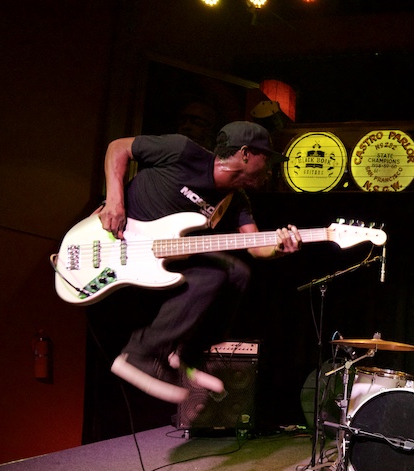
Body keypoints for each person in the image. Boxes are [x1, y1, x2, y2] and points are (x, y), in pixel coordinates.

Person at [99, 121, 302, 403]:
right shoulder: (182, 151)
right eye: (265, 159)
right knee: (214, 275)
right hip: (118, 240)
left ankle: (184, 356)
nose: (269, 169)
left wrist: (280, 247)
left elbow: (256, 247)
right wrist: (115, 202)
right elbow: (118, 147)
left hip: (163, 257)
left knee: (238, 273)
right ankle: (139, 354)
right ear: (245, 154)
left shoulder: (235, 200)